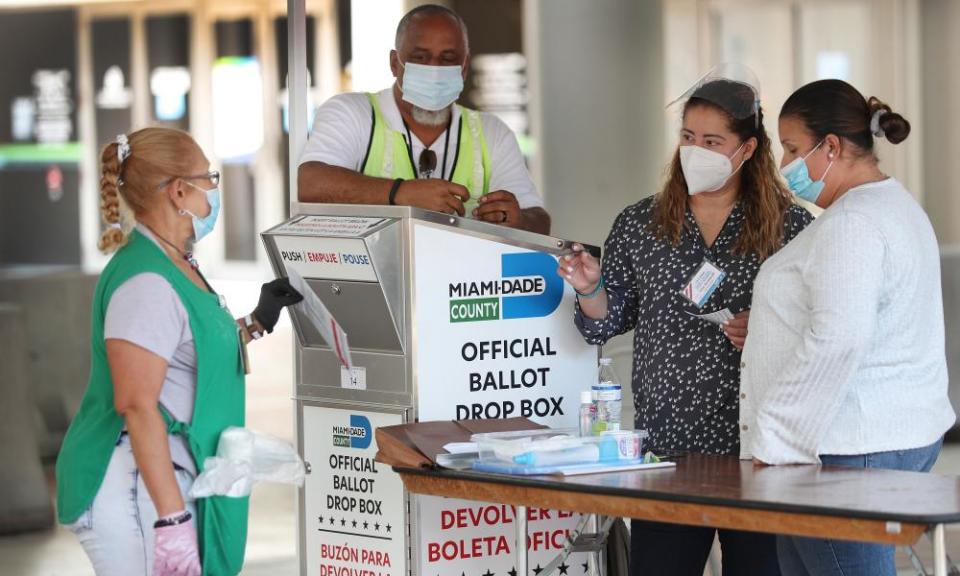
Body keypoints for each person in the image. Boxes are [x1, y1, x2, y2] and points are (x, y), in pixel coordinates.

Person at [559, 66, 813, 576]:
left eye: (713, 140)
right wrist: (590, 288)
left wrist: (766, 330)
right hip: (667, 450)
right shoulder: (642, 222)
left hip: (758, 450)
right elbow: (607, 323)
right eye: (688, 137)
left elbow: (818, 329)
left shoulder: (790, 228)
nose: (695, 150)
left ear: (747, 149)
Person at [56, 127, 303, 576]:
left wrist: (256, 321)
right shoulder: (146, 282)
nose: (214, 188)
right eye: (209, 177)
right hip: (133, 485)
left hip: (157, 477)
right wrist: (171, 522)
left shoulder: (174, 262)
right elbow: (136, 404)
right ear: (179, 191)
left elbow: (186, 348)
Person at [740, 79, 956, 576]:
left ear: (831, 147)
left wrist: (777, 438)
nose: (786, 166)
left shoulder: (851, 224)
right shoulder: (893, 206)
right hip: (886, 435)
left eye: (793, 149)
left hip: (849, 445)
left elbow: (840, 338)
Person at [297, 4, 550, 234]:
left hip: (457, 282)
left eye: (448, 59)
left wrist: (519, 219)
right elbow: (309, 184)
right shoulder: (353, 112)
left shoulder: (491, 132)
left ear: (463, 67)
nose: (434, 70)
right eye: (420, 58)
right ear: (395, 63)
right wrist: (399, 193)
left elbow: (539, 219)